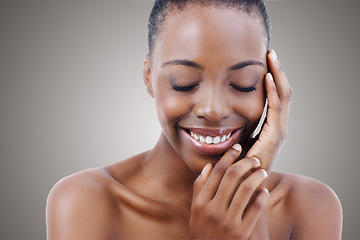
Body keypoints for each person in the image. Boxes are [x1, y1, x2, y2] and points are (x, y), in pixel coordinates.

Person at [46, 0, 343, 239]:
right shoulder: (86, 202)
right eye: (184, 82)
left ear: (272, 84)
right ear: (149, 76)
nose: (213, 110)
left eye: (243, 83)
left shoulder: (309, 205)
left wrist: (250, 203)